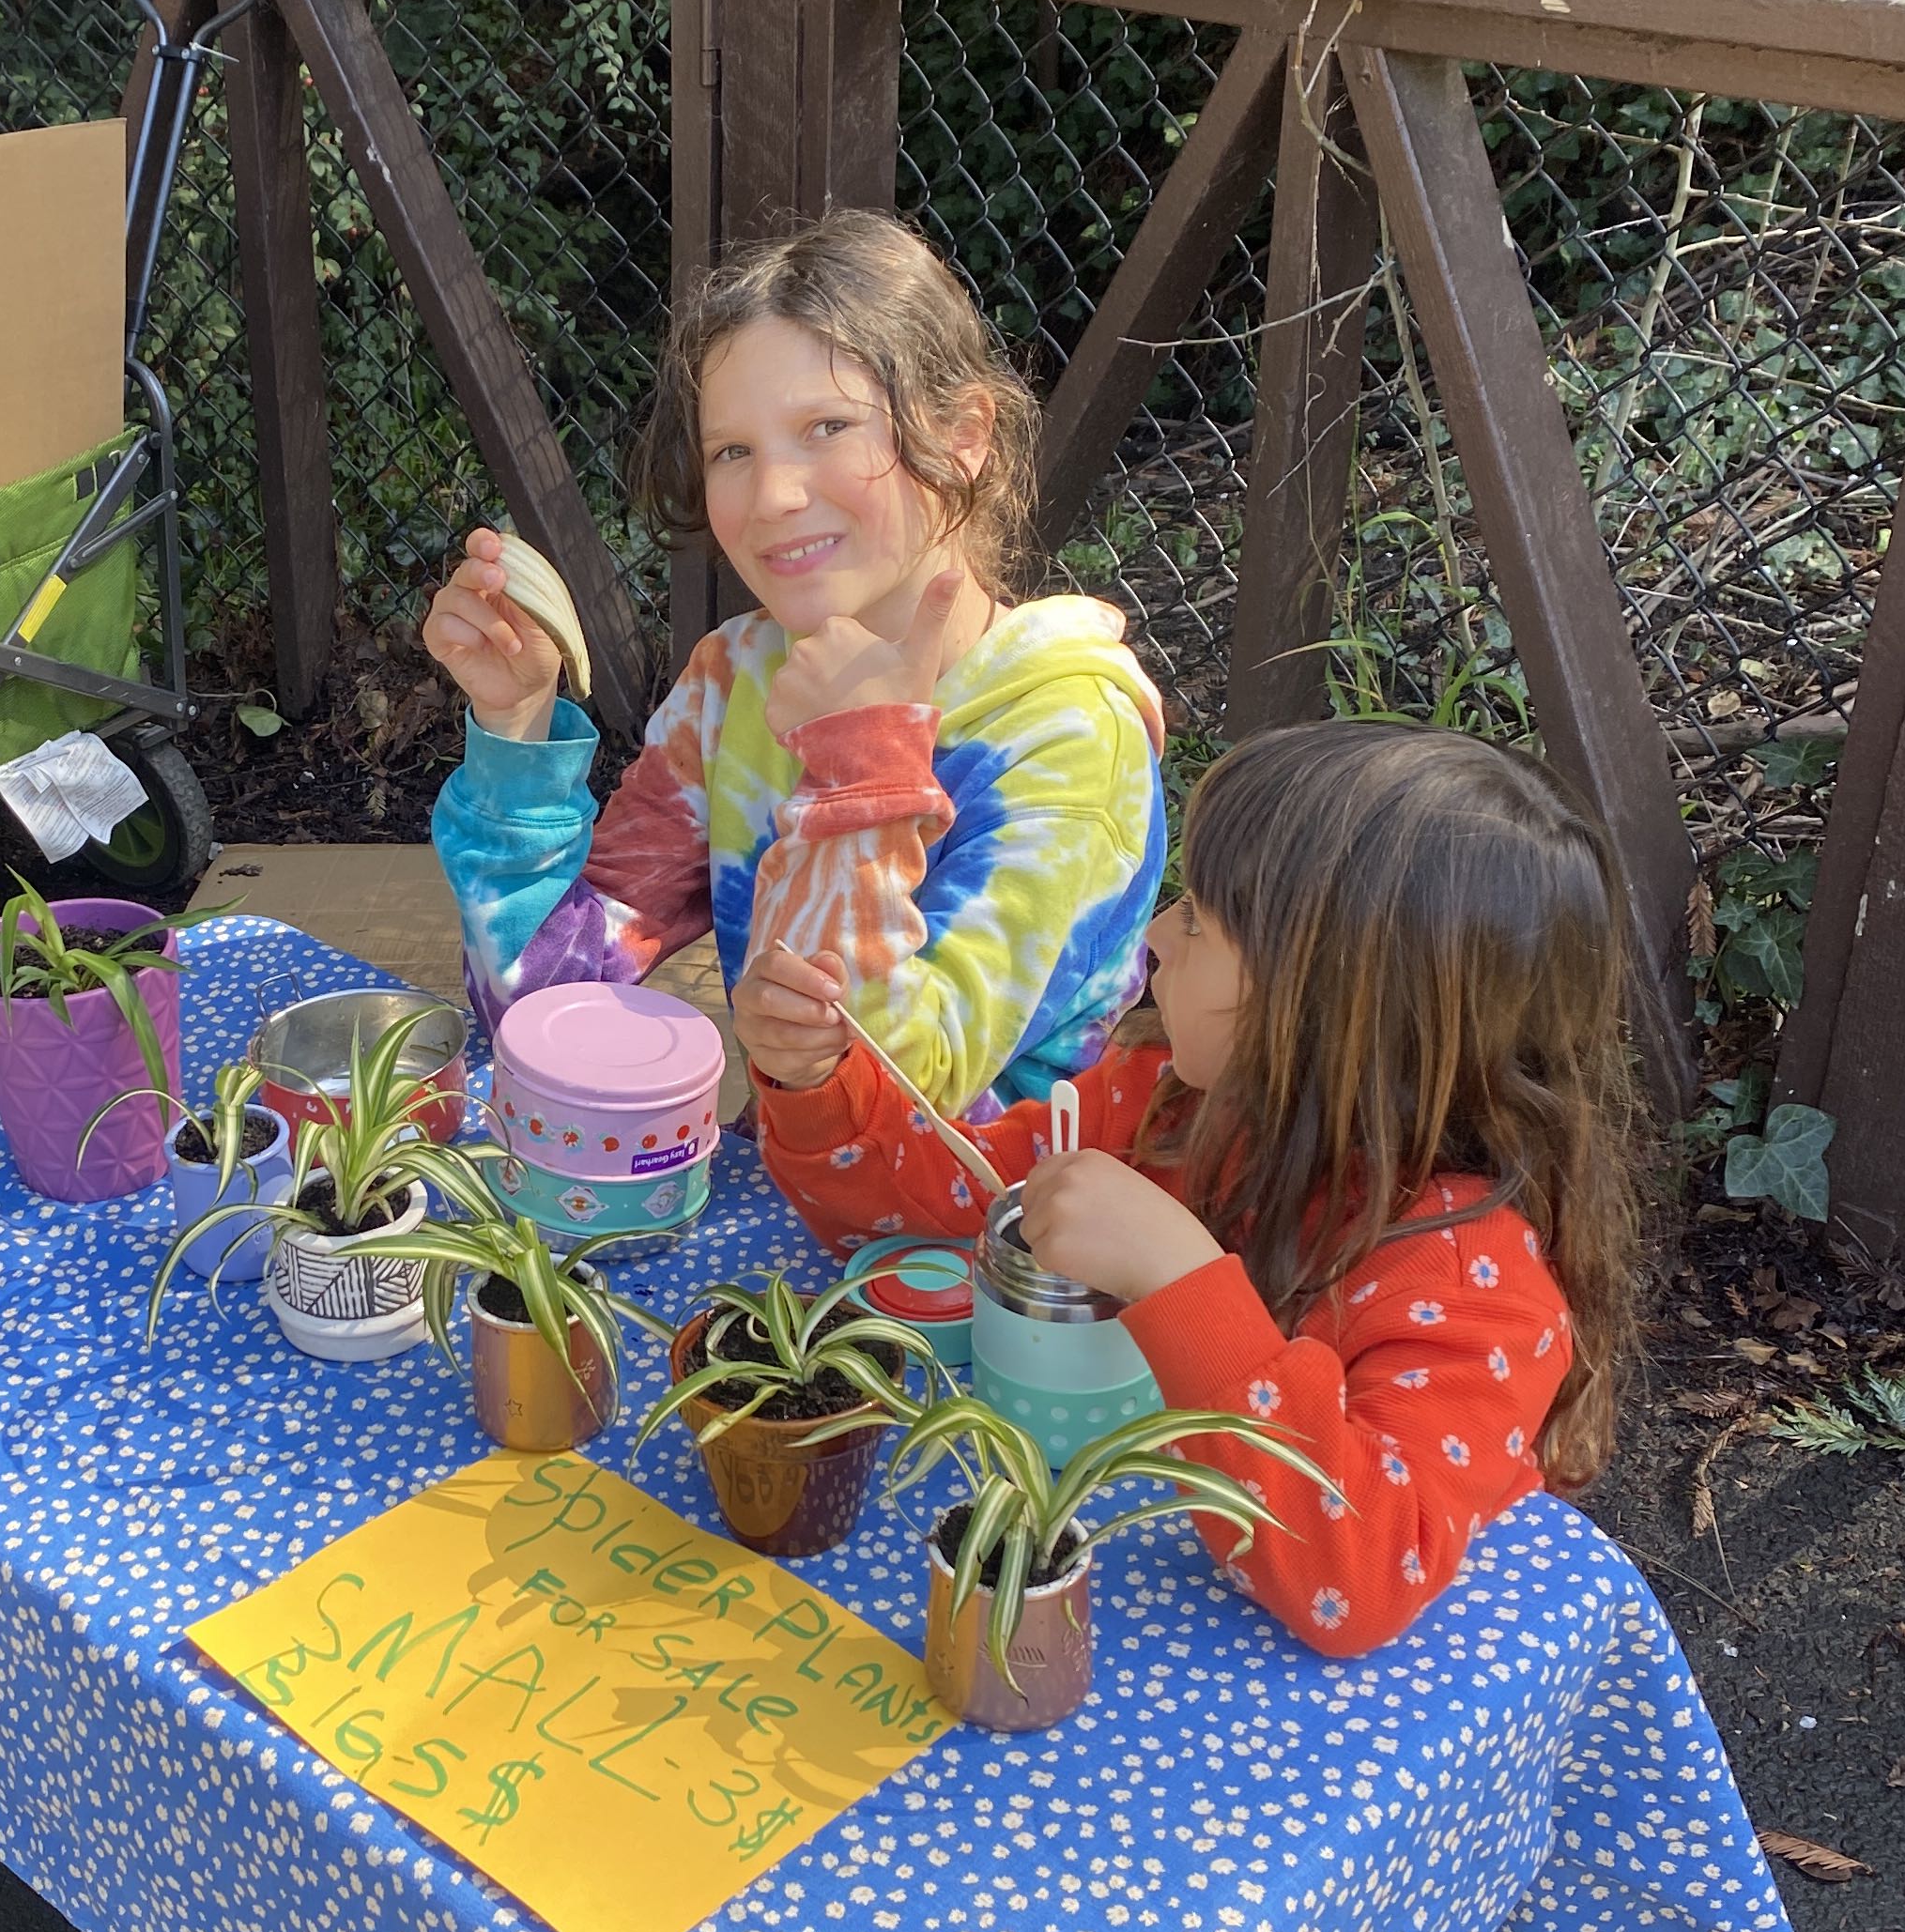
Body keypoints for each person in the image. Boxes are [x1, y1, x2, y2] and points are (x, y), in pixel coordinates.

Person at [423, 211, 1164, 1250]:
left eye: (827, 428)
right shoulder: (738, 682)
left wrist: (864, 762)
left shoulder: (1071, 738)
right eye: (733, 450)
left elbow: (886, 1089)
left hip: (986, 1277)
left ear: (966, 436)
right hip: (774, 1223)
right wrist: (514, 730)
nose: (771, 495)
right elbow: (539, 1006)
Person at [854, 721, 1643, 1658]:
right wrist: (820, 1084)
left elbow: (1357, 1581)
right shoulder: (1172, 1105)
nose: (1155, 935)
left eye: (1197, 920)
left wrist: (1181, 1281)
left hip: (1320, 1721)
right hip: (1098, 1603)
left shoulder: (1471, 1284)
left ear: (1332, 1009)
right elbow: (935, 1205)